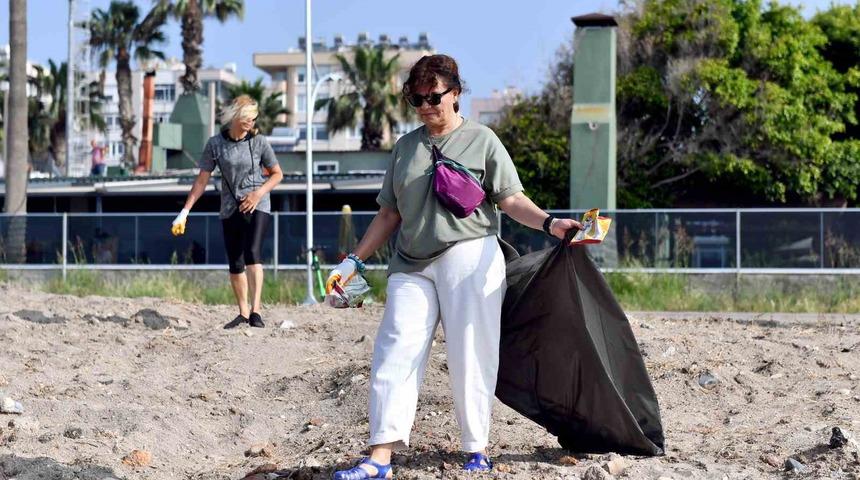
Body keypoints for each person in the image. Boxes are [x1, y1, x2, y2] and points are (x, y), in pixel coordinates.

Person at [326, 54, 582, 480]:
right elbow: (389, 214)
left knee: (470, 354)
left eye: (434, 96)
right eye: (417, 98)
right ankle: (380, 458)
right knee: (394, 350)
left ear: (456, 93)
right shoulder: (406, 147)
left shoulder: (483, 140)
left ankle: (477, 448)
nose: (426, 105)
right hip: (411, 264)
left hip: (470, 256)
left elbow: (511, 200)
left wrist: (551, 223)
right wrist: (355, 261)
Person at [171, 95, 284, 329]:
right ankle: (242, 312)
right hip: (230, 207)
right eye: (247, 119)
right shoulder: (215, 144)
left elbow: (277, 174)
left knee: (253, 252)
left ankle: (256, 311)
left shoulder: (260, 142)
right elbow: (202, 181)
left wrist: (257, 194)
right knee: (235, 262)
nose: (251, 123)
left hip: (257, 204)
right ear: (235, 117)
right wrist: (185, 211)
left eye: (254, 119)